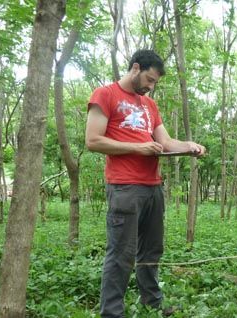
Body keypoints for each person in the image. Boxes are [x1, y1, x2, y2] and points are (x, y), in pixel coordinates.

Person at [85, 49, 206, 318]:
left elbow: (165, 142)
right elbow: (93, 141)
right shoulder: (105, 95)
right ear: (136, 68)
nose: (151, 88)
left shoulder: (149, 105)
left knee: (152, 250)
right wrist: (138, 148)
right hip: (125, 187)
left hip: (153, 187)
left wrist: (188, 146)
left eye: (155, 83)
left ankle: (151, 303)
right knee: (121, 253)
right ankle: (112, 313)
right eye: (149, 80)